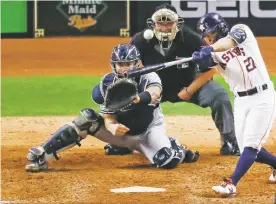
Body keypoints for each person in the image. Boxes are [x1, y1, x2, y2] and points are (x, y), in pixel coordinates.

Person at [25, 44, 199, 172]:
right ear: (113, 65)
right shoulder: (107, 84)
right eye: (120, 64)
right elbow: (108, 116)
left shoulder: (148, 76)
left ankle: (175, 147)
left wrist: (138, 98)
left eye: (128, 63)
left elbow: (155, 92)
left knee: (168, 161)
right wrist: (112, 127)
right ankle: (43, 155)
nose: (124, 68)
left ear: (137, 64)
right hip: (122, 134)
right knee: (87, 119)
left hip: (149, 132)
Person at [104, 3, 239, 156]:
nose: (164, 27)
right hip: (152, 88)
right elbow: (130, 71)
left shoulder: (190, 39)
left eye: (169, 22)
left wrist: (189, 91)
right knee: (126, 94)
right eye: (160, 22)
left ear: (177, 23)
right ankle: (122, 142)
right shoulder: (140, 41)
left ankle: (229, 140)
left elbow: (209, 71)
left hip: (186, 86)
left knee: (218, 95)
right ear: (153, 24)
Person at [191, 13, 276, 196]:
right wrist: (198, 58)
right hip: (241, 101)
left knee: (251, 145)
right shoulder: (214, 52)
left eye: (210, 34)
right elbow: (205, 64)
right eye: (206, 37)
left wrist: (210, 49)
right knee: (245, 146)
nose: (209, 39)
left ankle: (231, 183)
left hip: (263, 97)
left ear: (219, 28)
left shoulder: (240, 31)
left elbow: (228, 43)